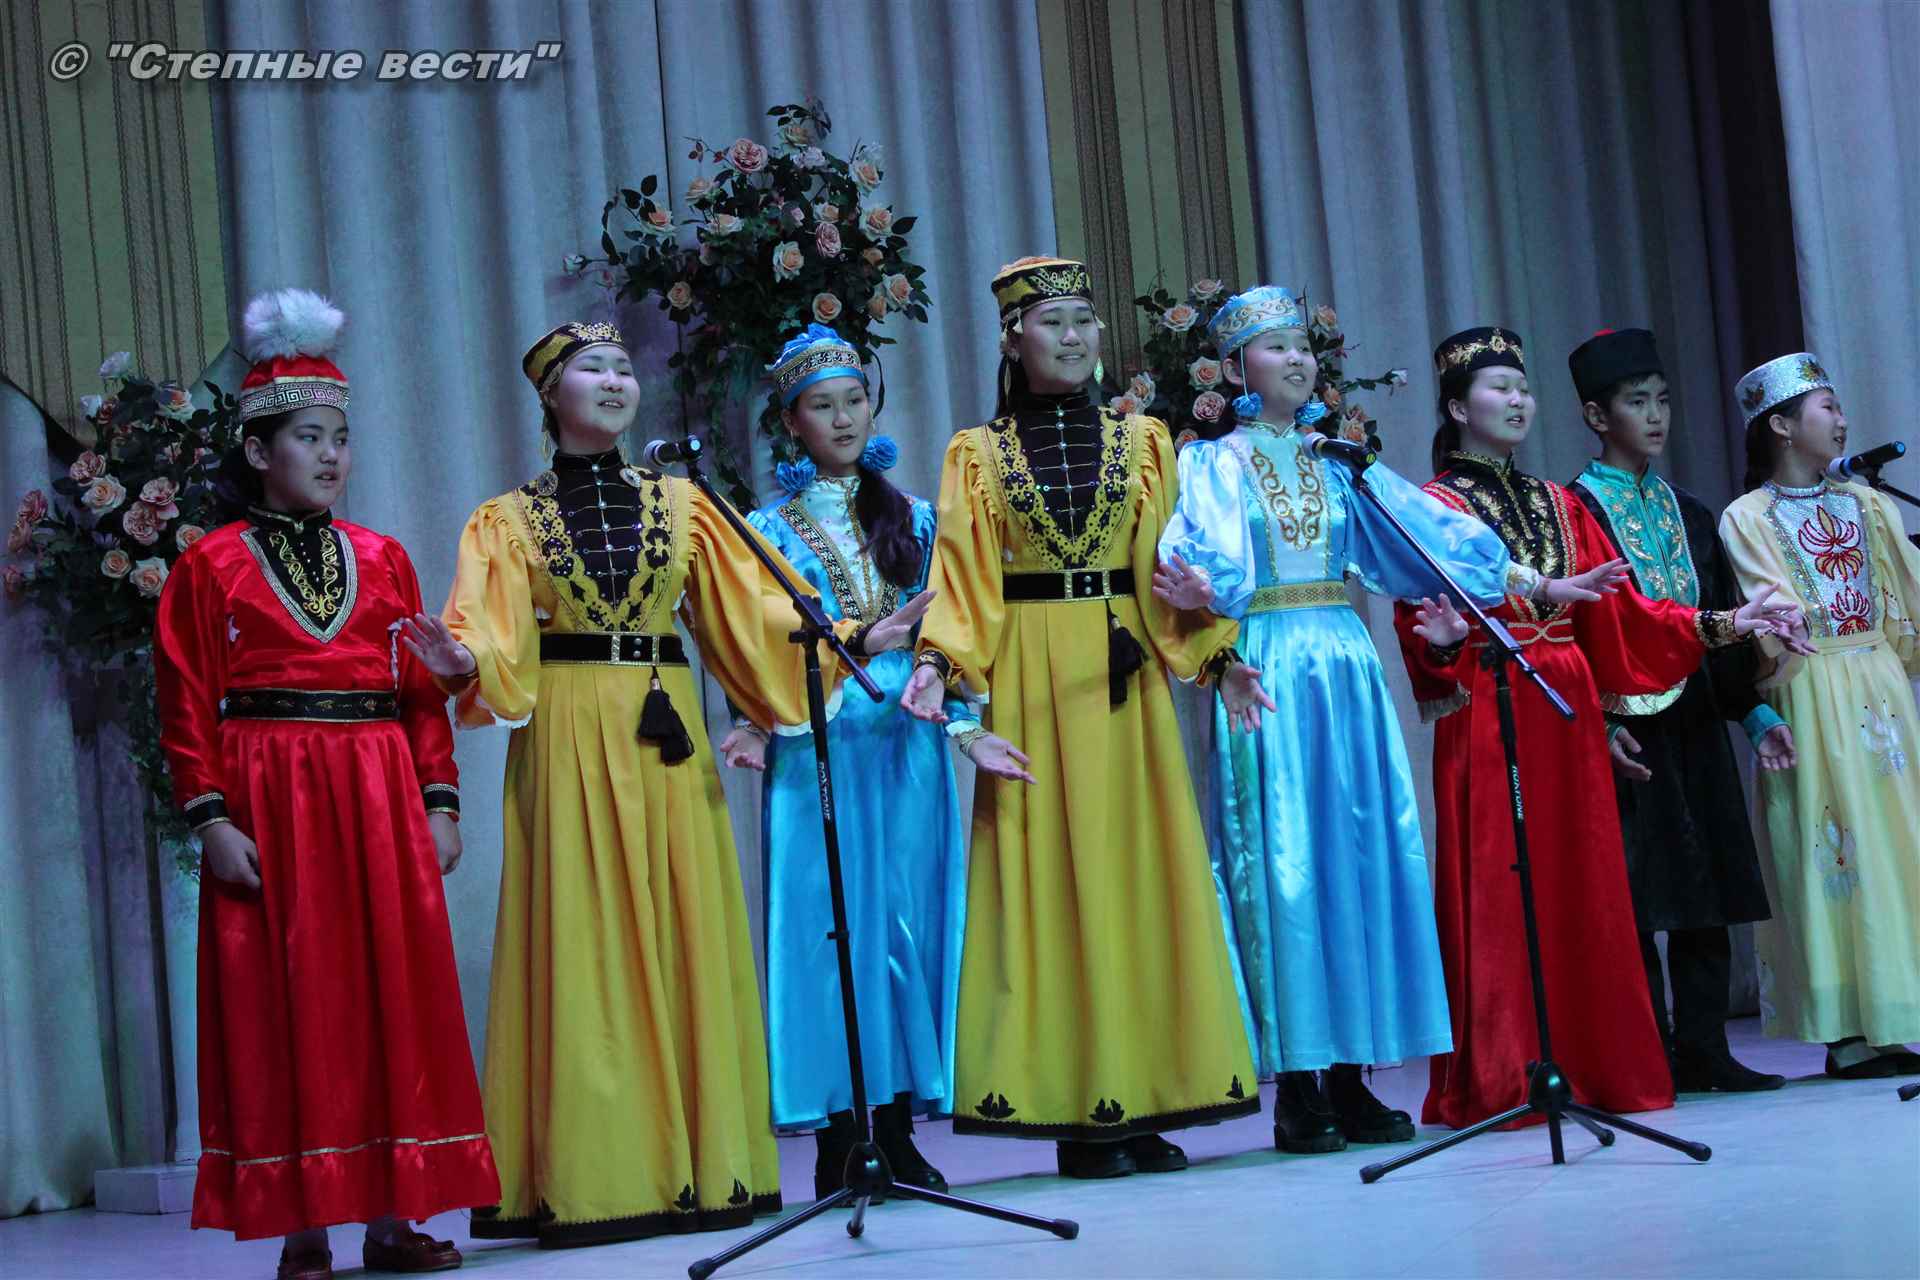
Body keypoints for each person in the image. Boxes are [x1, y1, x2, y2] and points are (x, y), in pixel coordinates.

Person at [422, 321, 926, 1246]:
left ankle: (704, 1167)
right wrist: (463, 659)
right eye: (593, 369)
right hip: (570, 729)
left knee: (683, 924)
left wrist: (852, 636)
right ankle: (596, 1178)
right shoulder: (506, 520)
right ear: (552, 394)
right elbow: (487, 629)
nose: (615, 381)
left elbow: (757, 610)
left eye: (623, 368)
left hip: (666, 731)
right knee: (583, 935)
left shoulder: (685, 505)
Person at [1158, 287, 1622, 1153]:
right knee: (1285, 864)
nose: (1298, 360)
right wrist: (1197, 594)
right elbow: (1197, 560)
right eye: (1276, 347)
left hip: (1343, 656)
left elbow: (1429, 535)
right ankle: (1299, 1084)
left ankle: (1354, 1072)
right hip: (1269, 661)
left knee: (1360, 856)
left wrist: (1540, 585)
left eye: (1304, 346)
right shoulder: (1212, 464)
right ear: (1234, 367)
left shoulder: (1341, 461)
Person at [155, 288, 497, 1279]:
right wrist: (210, 817)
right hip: (273, 797)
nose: (332, 455)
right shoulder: (210, 567)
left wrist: (439, 801)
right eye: (310, 437)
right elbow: (185, 699)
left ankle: (394, 1216)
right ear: (259, 449)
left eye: (341, 438)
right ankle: (304, 1227)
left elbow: (419, 695)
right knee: (289, 1001)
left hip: (378, 794)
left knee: (393, 997)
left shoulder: (382, 558)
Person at [901, 257, 1262, 1180]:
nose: (1072, 336)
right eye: (1052, 321)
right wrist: (940, 669)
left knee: (1137, 873)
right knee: (1050, 881)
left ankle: (1146, 1095)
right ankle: (1076, 1107)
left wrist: (1217, 655)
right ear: (1012, 338)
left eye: (1083, 320)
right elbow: (965, 580)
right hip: (1031, 672)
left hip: (1123, 672)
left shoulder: (1144, 441)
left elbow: (1165, 562)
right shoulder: (977, 453)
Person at [1393, 326, 1806, 1129]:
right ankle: (1512, 1070)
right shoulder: (1431, 506)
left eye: (1523, 387)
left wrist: (1726, 621)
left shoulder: (1560, 502)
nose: (1517, 401)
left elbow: (1625, 615)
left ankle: (1596, 1064)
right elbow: (1424, 619)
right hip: (1493, 703)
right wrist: (1438, 646)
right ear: (1457, 408)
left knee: (1587, 888)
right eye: (1498, 389)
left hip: (1569, 708)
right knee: (1505, 884)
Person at [718, 324, 959, 1197]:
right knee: (828, 930)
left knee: (901, 919)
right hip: (817, 734)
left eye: (855, 400)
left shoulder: (918, 519)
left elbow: (953, 623)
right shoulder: (763, 533)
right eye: (822, 406)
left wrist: (945, 688)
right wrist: (754, 718)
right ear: (792, 422)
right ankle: (837, 1133)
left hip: (906, 733)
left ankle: (896, 1125)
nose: (844, 418)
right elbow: (755, 642)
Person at [1565, 327, 1791, 1093]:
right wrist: (1601, 722)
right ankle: (1649, 1049)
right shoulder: (1575, 512)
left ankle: (1705, 1046)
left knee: (1708, 879)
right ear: (1597, 416)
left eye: (1662, 400)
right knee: (1636, 890)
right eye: (1638, 402)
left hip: (1692, 713)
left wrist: (1754, 716)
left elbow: (1720, 618)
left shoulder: (1689, 512)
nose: (1656, 416)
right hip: (1624, 723)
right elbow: (1575, 629)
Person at [1717, 352, 1920, 1079]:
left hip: (1878, 681)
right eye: (1826, 407)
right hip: (1806, 686)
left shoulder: (1871, 505)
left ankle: (1897, 1014)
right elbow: (1769, 612)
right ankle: (1846, 1031)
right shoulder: (1747, 517)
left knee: (1897, 841)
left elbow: (1904, 596)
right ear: (1780, 425)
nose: (1841, 419)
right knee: (1829, 848)